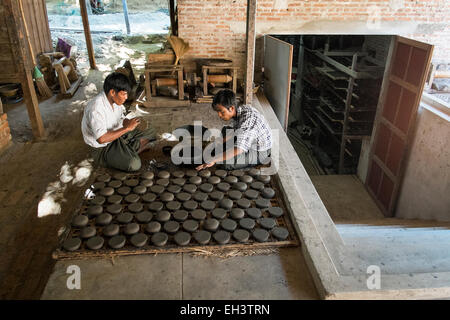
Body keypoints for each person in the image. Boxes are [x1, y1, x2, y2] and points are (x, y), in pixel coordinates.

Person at [81, 72, 156, 172]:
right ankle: (129, 152)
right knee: (134, 164)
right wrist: (127, 128)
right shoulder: (96, 108)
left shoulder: (116, 101)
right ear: (112, 92)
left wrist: (130, 122)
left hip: (118, 135)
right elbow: (102, 139)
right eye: (124, 94)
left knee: (151, 131)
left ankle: (127, 150)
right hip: (103, 148)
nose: (126, 97)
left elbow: (121, 118)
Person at [196, 89, 272, 171]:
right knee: (226, 130)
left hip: (259, 151)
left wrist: (214, 159)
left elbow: (239, 149)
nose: (219, 115)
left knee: (226, 163)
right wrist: (219, 141)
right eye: (217, 112)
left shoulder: (248, 120)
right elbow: (237, 131)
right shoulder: (240, 110)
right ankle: (224, 153)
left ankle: (245, 161)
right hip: (248, 140)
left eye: (221, 112)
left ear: (231, 108)